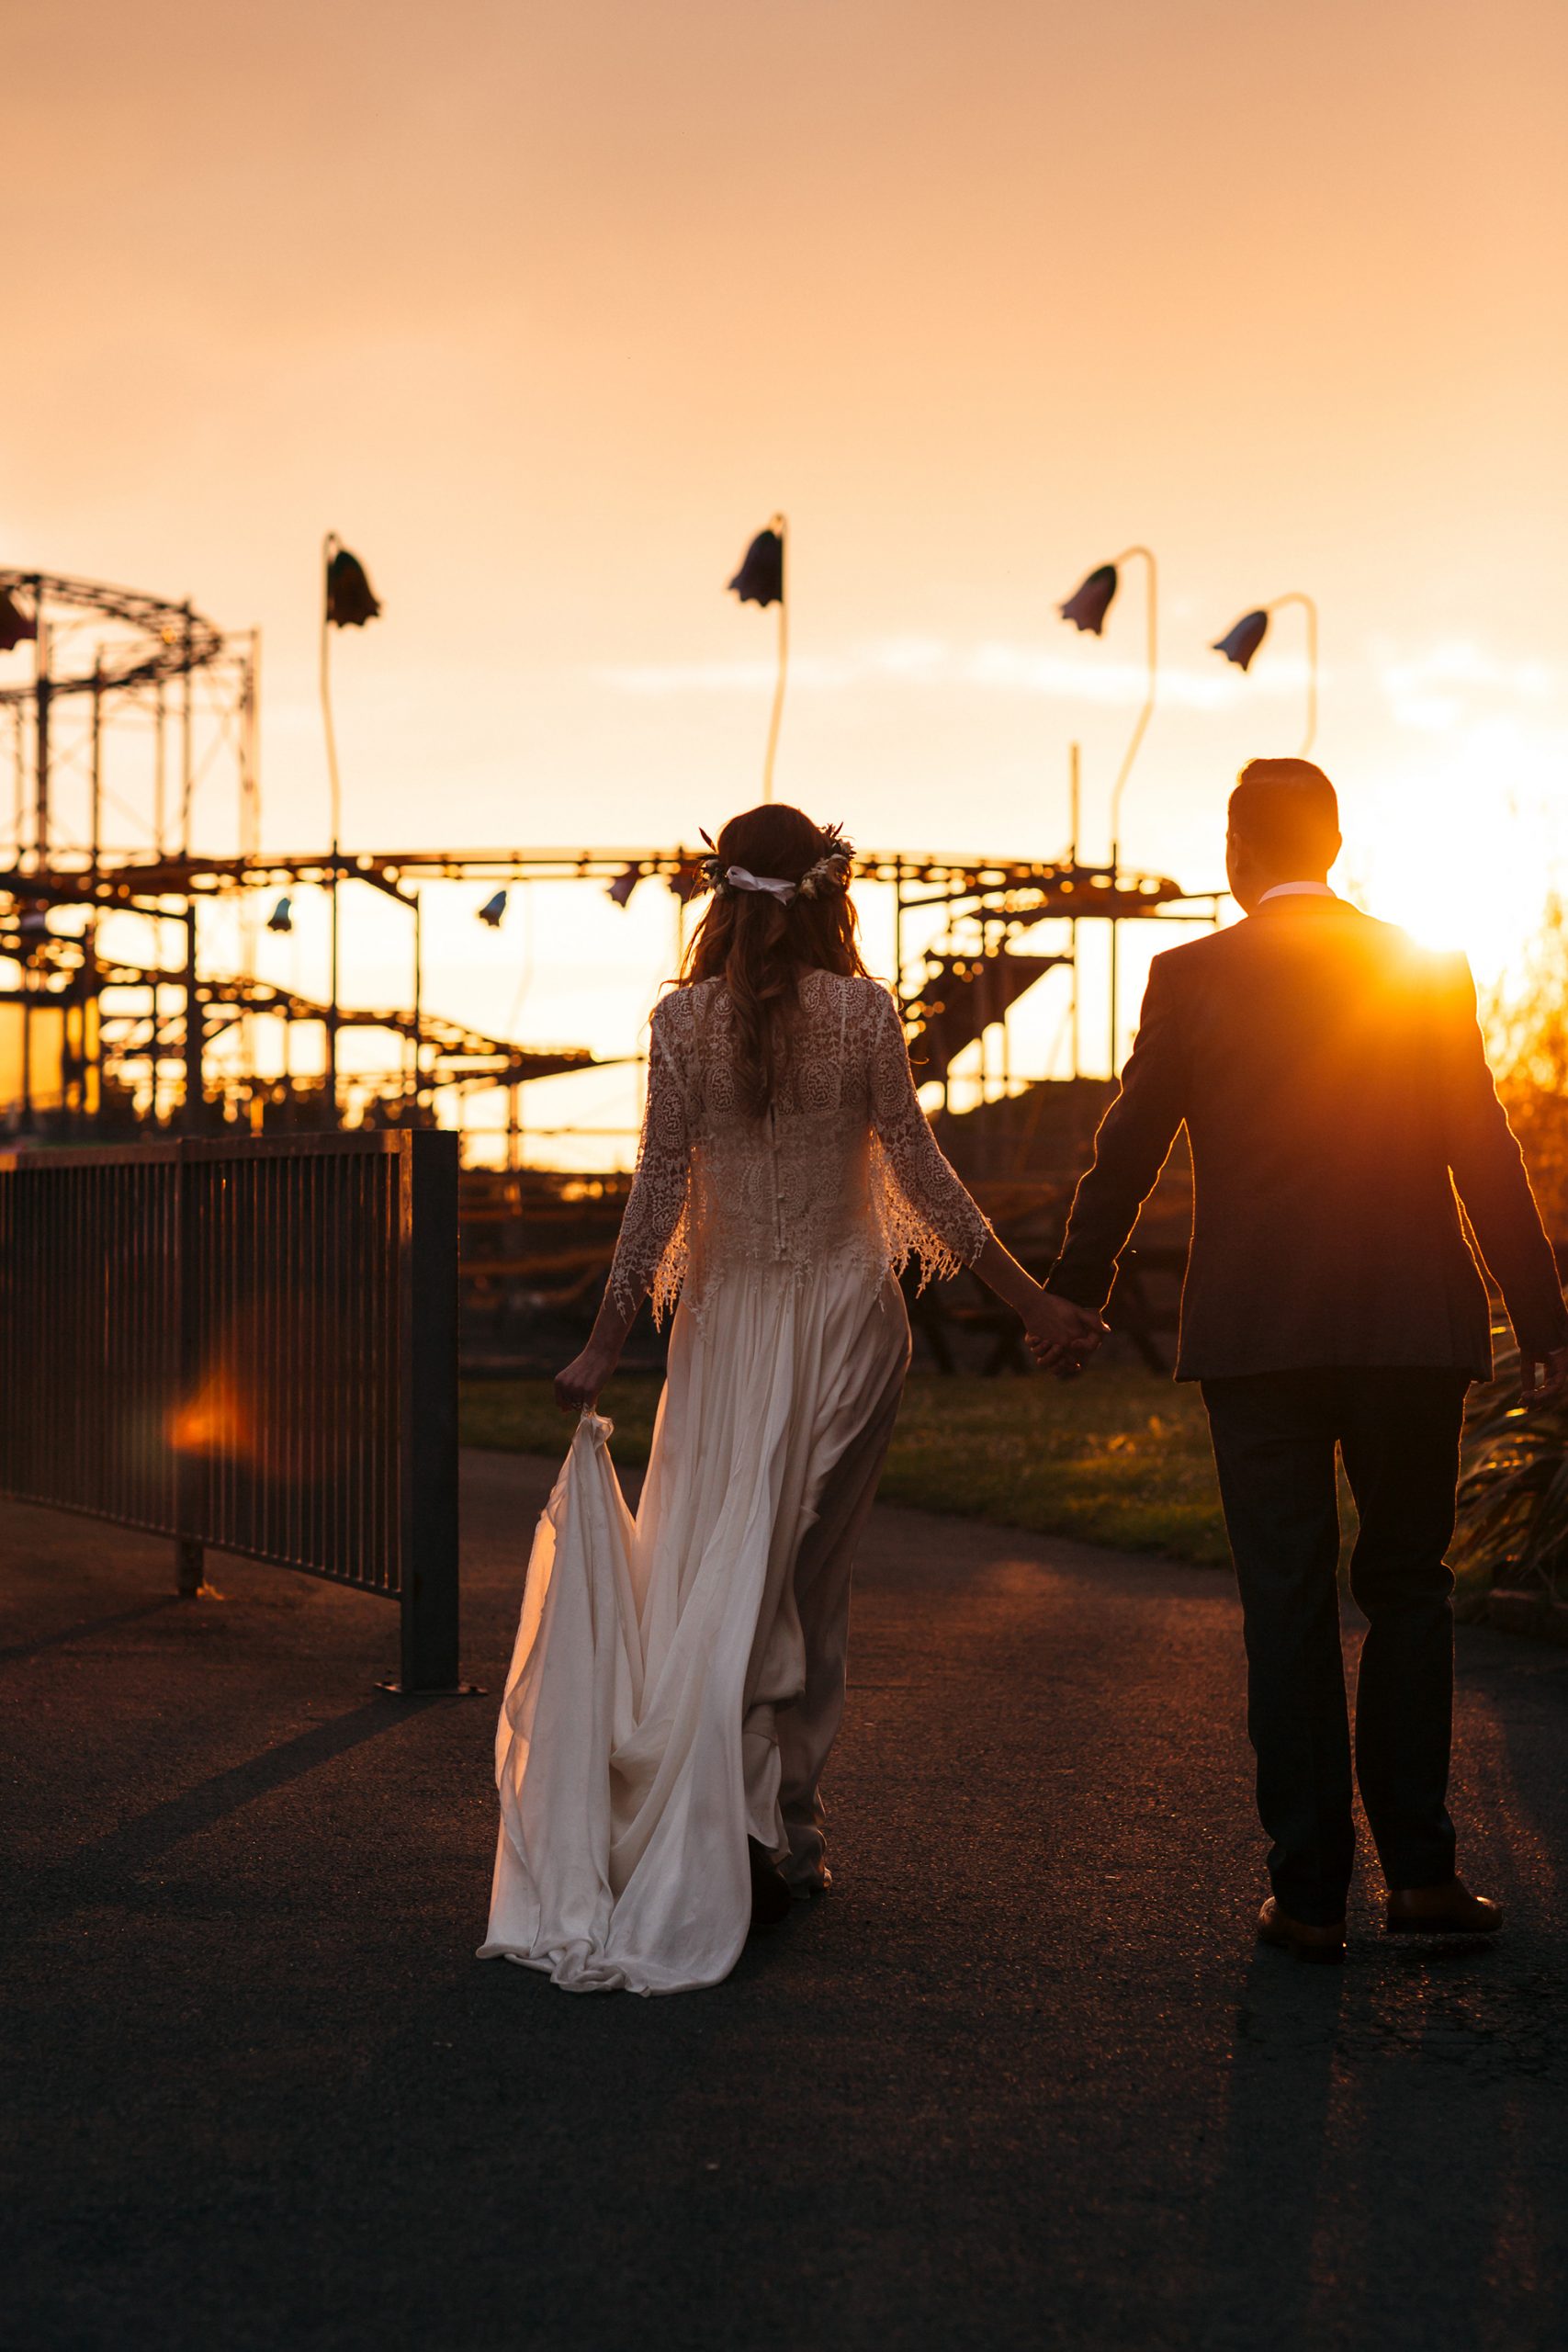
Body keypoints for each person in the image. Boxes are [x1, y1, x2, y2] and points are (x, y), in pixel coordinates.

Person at [478, 804, 1105, 1993]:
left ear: (722, 896)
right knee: (799, 1574)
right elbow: (921, 1170)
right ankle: (775, 1827)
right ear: (828, 893)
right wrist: (1031, 1306)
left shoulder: (677, 1023)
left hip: (722, 1336)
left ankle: (768, 1823)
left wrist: (606, 1346)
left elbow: (655, 1193)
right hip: (847, 1326)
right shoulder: (863, 1012)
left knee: (751, 1567)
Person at [1042, 757, 1568, 1962]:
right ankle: (1425, 1879)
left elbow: (1127, 1149)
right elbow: (1484, 1147)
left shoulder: (1193, 975)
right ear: (1333, 846)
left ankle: (1311, 1893)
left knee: (1284, 1603)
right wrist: (1544, 1328)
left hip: (1258, 1335)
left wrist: (1076, 1295)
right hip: (1408, 1330)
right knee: (1411, 1588)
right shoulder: (1424, 968)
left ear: (1237, 857)